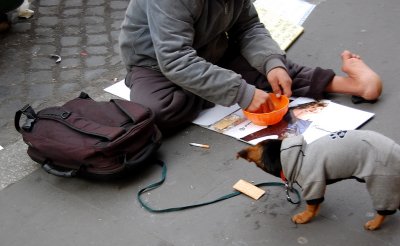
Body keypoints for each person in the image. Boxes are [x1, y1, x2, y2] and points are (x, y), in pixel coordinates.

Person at [119, 0, 382, 134]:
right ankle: (212, 85)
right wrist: (240, 92)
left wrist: (272, 63)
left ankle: (355, 84)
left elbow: (248, 27)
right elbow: (174, 58)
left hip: (211, 49)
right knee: (156, 112)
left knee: (275, 72)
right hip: (155, 64)